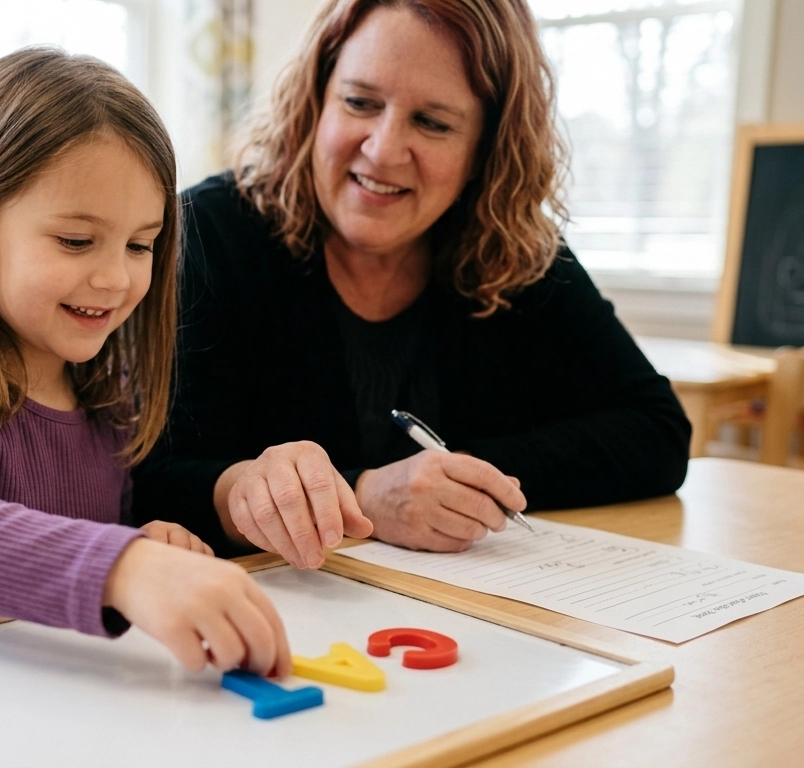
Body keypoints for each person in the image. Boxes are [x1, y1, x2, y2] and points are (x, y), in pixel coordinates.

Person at [0, 48, 366, 679]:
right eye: (75, 241)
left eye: (140, 245)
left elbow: (86, 570)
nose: (114, 277)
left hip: (57, 699)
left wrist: (150, 542)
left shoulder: (105, 392)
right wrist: (124, 566)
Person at [132, 0, 690, 566]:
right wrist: (367, 492)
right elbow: (149, 483)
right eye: (359, 102)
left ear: (485, 150)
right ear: (315, 103)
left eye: (432, 122)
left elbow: (657, 434)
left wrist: (449, 482)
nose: (382, 149)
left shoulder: (516, 250)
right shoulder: (208, 236)